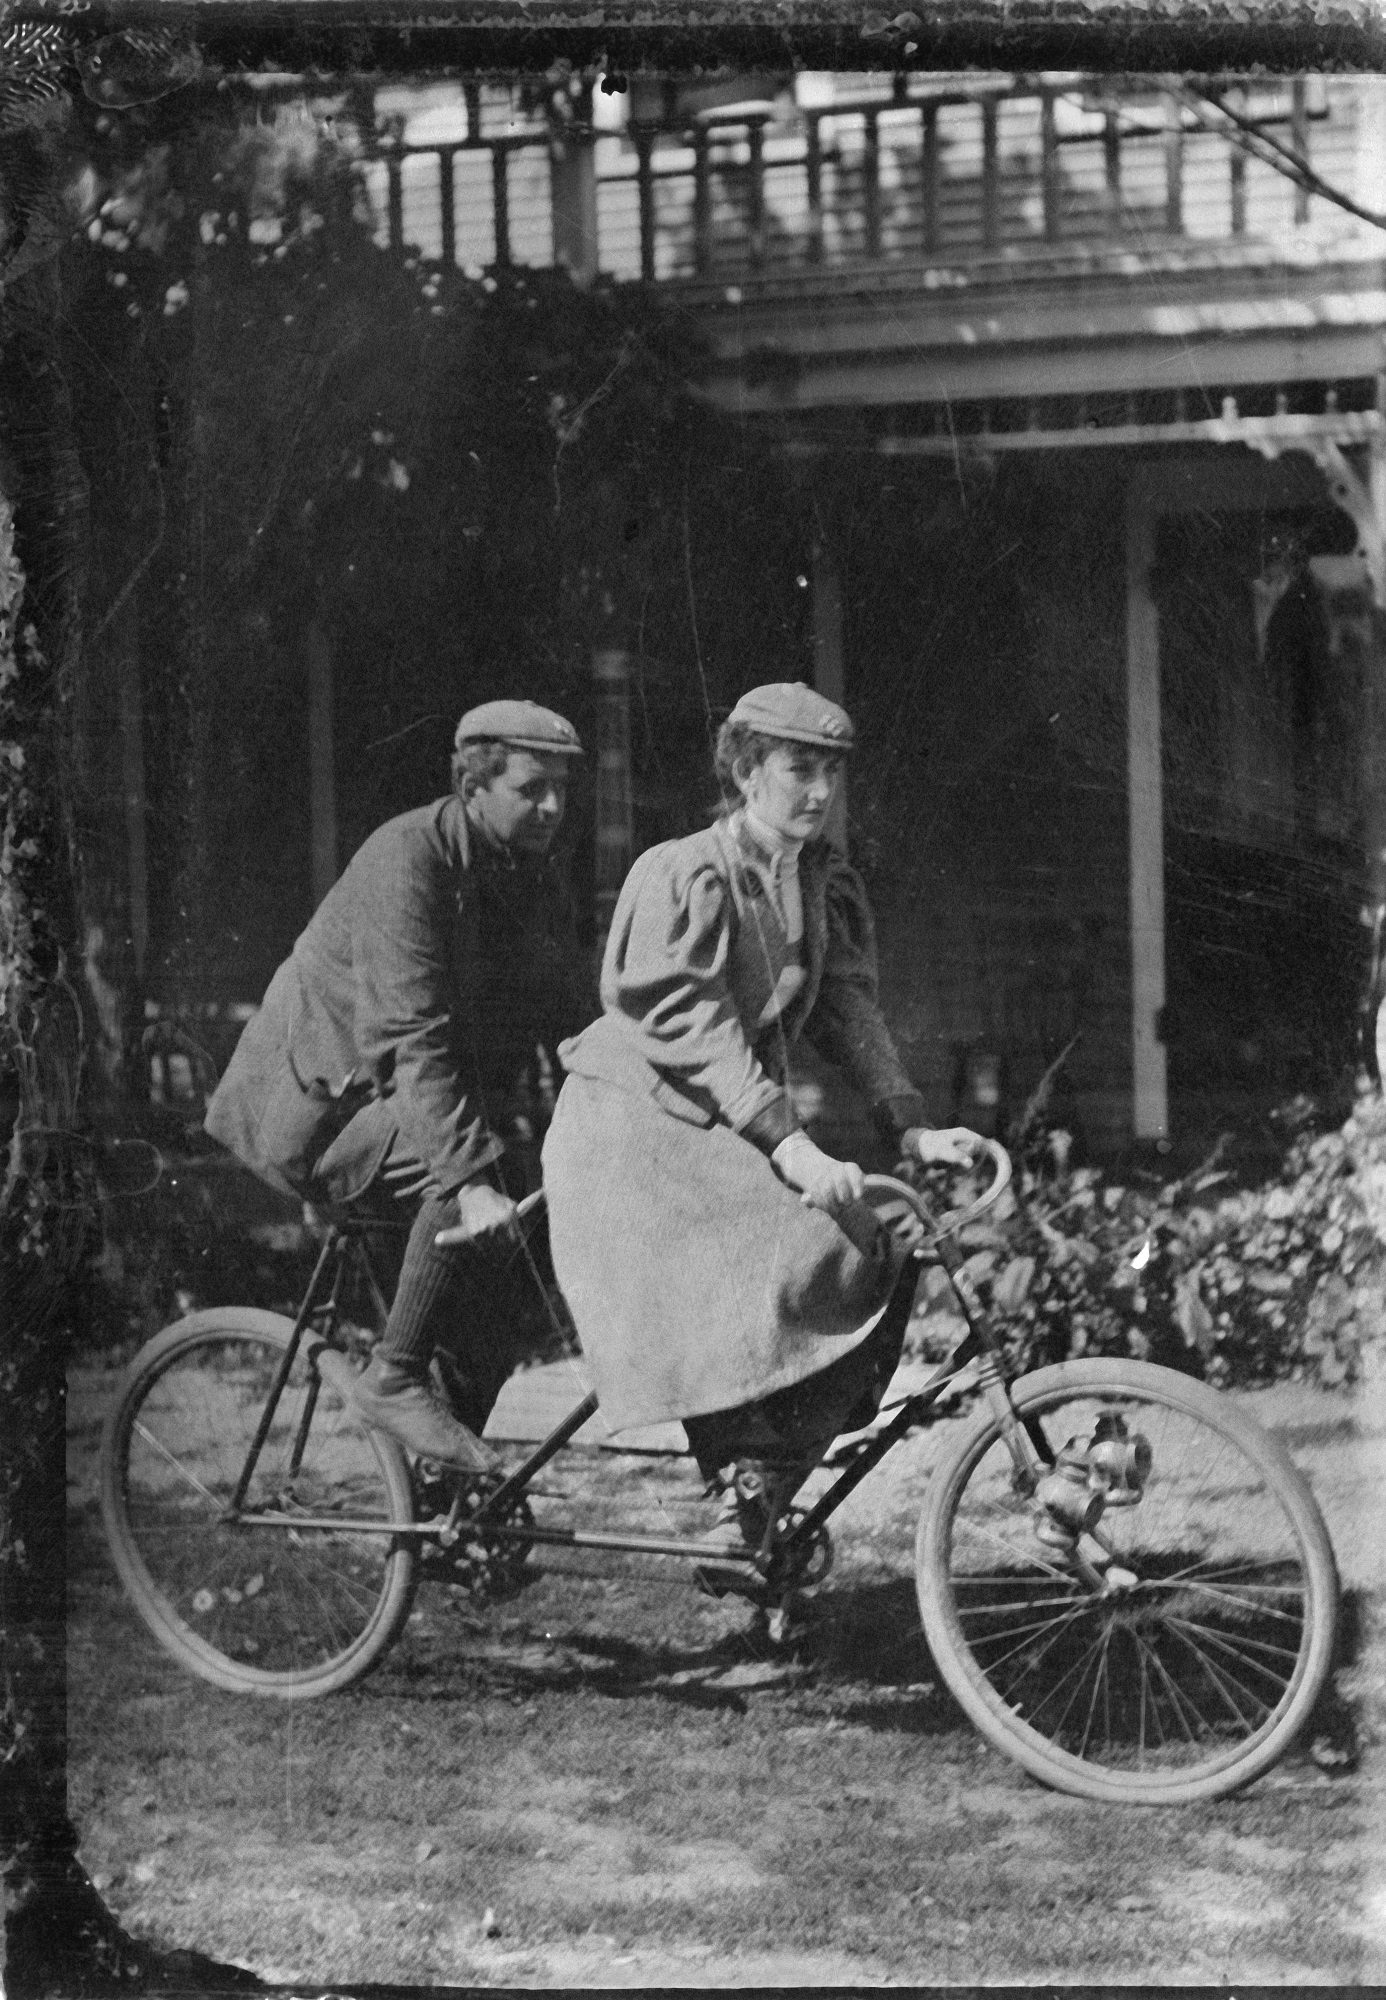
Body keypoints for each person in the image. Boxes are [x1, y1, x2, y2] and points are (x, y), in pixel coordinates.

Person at [542, 681, 981, 1563]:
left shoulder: (818, 881)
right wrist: (791, 1148)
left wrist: (909, 1125)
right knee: (781, 1246)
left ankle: (759, 1491)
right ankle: (737, 1488)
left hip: (717, 1118)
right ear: (746, 772)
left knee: (875, 1242)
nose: (819, 792)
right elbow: (691, 1028)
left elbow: (847, 1010)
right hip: (631, 1125)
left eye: (831, 774)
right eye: (798, 770)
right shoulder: (685, 872)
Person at [204, 698, 589, 1472]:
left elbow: (568, 1012)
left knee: (499, 1305)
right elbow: (409, 1039)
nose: (552, 807)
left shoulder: (528, 873)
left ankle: (449, 1486)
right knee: (480, 1175)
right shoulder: (405, 859)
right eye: (531, 788)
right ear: (471, 786)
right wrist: (471, 1181)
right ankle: (394, 1376)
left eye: (561, 789)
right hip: (320, 1113)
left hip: (399, 1104)